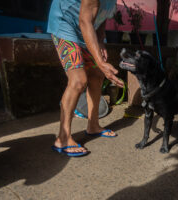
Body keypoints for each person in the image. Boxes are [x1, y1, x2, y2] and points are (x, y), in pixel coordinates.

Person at [47, 0, 124, 156]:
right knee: (78, 80)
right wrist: (101, 62)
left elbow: (102, 19)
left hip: (86, 28)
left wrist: (101, 42)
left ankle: (93, 125)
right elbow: (85, 20)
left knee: (97, 75)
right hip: (65, 23)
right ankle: (63, 138)